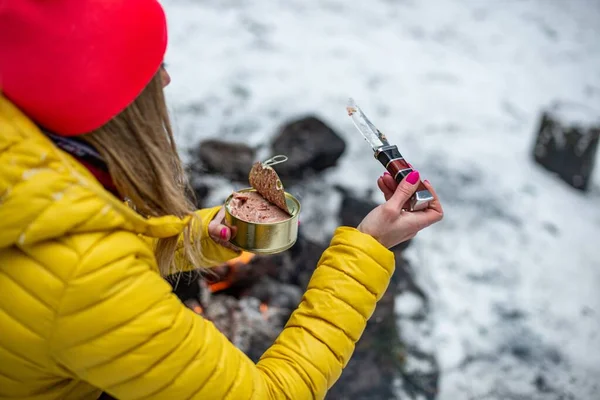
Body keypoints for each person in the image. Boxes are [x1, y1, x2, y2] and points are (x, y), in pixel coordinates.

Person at [0, 1, 444, 399]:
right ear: (97, 94)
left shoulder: (30, 170)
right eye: (153, 65)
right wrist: (368, 246)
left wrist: (194, 237)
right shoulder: (87, 282)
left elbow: (49, 267)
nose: (167, 78)